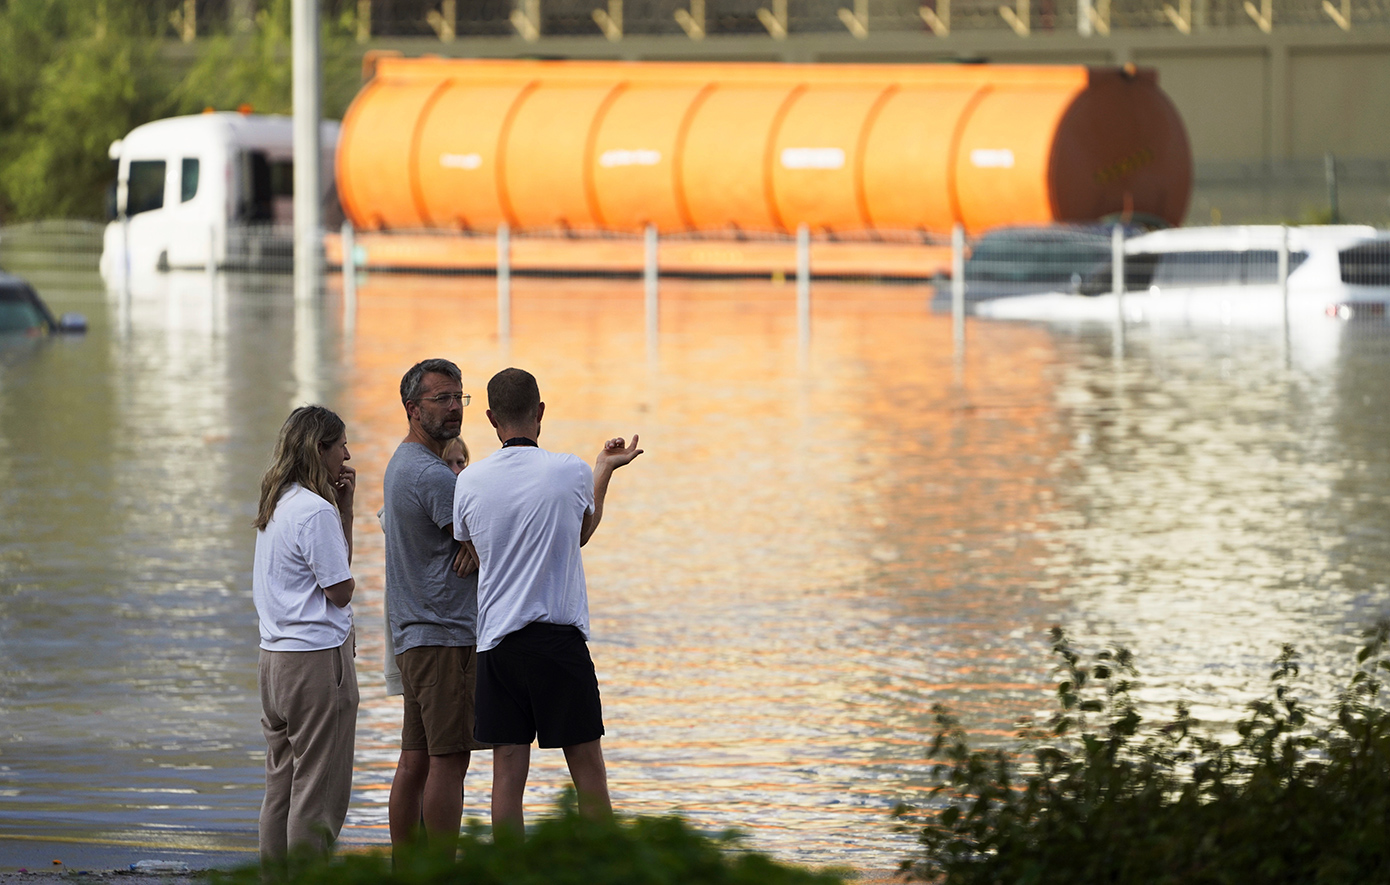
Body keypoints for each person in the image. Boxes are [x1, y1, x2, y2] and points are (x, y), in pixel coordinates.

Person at [451, 367, 642, 836]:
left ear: (492, 419)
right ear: (540, 412)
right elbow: (581, 533)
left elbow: (471, 544)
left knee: (507, 777)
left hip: (497, 644)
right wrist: (603, 468)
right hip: (558, 642)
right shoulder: (570, 470)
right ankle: (600, 868)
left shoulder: (469, 482)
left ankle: (511, 874)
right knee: (588, 771)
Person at [383, 360, 487, 855]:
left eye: (459, 398)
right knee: (450, 759)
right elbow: (490, 545)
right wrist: (477, 546)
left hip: (414, 634)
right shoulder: (434, 477)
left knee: (416, 758)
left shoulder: (401, 462)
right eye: (441, 399)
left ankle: (408, 867)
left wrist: (474, 543)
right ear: (412, 409)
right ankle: (442, 868)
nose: (453, 408)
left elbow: (474, 540)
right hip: (444, 635)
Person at [251, 405, 359, 863]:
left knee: (282, 784)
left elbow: (327, 568)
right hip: (315, 660)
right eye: (341, 445)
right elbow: (340, 589)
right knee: (318, 789)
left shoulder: (277, 503)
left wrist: (345, 510)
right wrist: (336, 513)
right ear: (320, 448)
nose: (348, 455)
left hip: (273, 659)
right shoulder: (314, 512)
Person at [380, 436, 469, 697]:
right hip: (443, 639)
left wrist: (473, 549)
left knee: (422, 738)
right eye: (447, 464)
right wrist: (478, 551)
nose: (455, 472)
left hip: (415, 641)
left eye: (461, 463)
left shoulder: (403, 476)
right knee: (455, 737)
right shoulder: (432, 482)